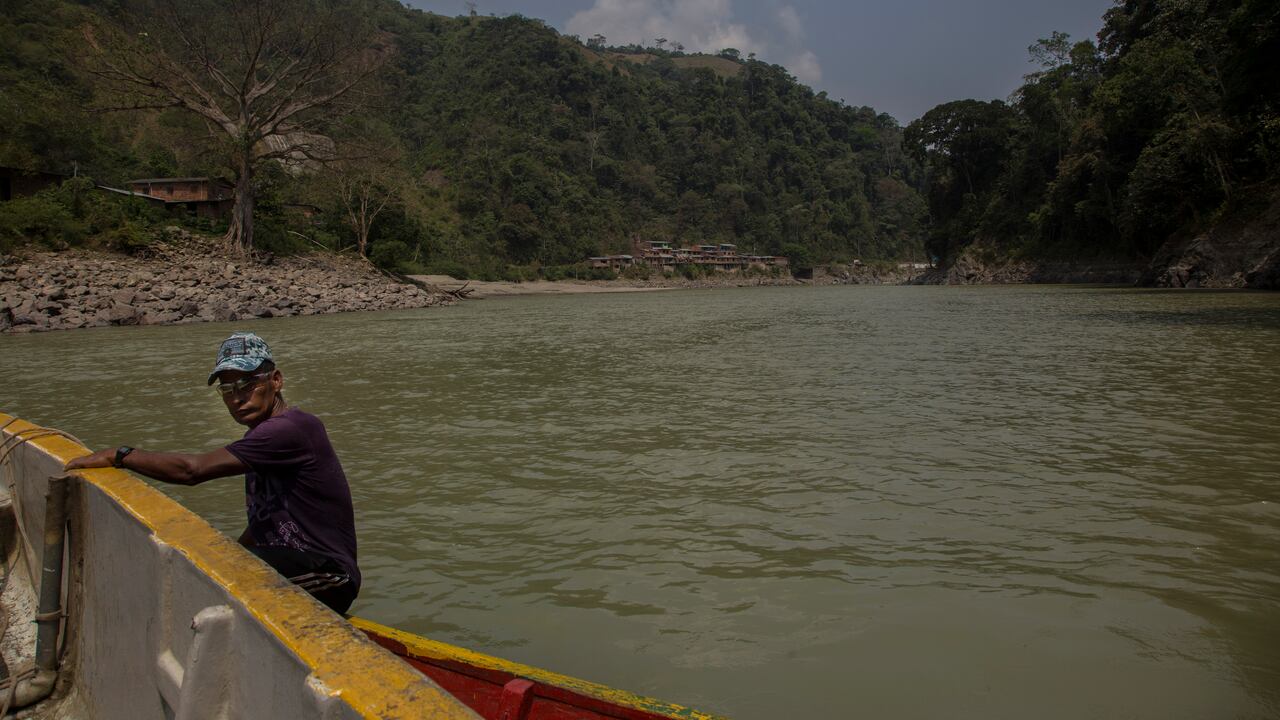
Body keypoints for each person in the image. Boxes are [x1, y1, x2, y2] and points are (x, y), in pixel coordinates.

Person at [65, 331, 360, 614]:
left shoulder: (289, 429)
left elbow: (192, 471)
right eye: (227, 389)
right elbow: (267, 519)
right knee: (214, 564)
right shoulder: (263, 437)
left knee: (207, 576)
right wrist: (233, 549)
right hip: (293, 564)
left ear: (276, 381)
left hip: (330, 575)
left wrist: (121, 455)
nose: (236, 398)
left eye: (247, 384)